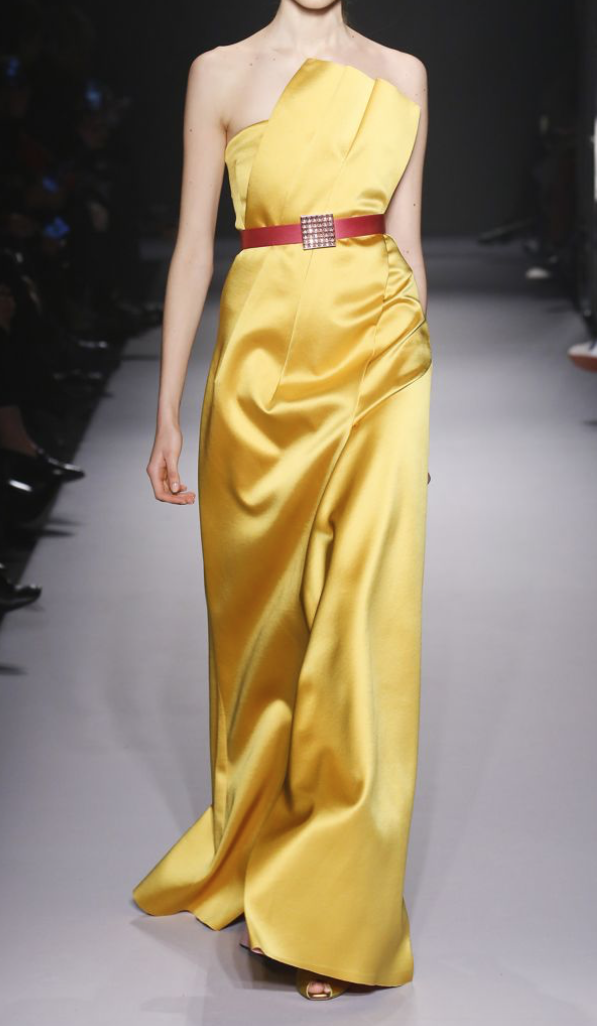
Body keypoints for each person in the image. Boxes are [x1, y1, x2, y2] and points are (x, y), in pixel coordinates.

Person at [132, 0, 432, 1002]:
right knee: (265, 635)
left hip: (380, 356)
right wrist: (166, 409)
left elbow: (407, 242)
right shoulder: (217, 71)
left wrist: (416, 393)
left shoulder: (402, 73)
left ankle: (331, 911)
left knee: (360, 632)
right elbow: (192, 245)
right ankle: (263, 840)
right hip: (262, 362)